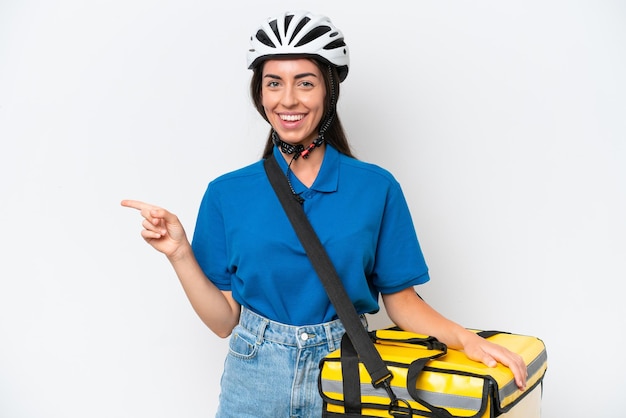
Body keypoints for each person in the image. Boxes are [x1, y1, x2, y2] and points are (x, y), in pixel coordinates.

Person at [122, 10, 527, 417]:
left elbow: (401, 302)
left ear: (328, 92)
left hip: (344, 370)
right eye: (274, 83)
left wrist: (464, 339)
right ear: (260, 94)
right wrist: (178, 254)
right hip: (253, 378)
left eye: (305, 83)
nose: (288, 99)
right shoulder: (227, 193)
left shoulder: (375, 188)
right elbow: (223, 321)